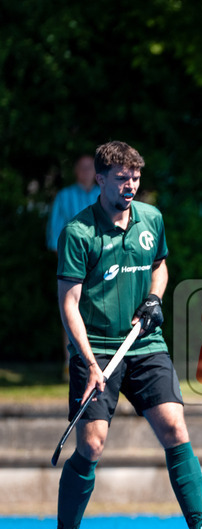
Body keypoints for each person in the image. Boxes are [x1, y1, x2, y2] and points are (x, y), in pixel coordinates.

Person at [53, 141, 202, 529]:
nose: (130, 185)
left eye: (135, 177)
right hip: (95, 348)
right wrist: (91, 364)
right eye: (121, 178)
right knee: (93, 445)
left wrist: (154, 299)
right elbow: (68, 304)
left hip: (144, 344)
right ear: (99, 180)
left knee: (174, 427)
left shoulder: (151, 218)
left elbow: (160, 265)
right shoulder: (79, 233)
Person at [48, 155, 101, 377]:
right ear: (76, 171)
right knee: (70, 310)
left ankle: (101, 361)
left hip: (103, 265)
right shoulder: (64, 196)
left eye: (91, 167)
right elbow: (54, 235)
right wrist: (74, 262)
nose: (87, 171)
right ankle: (70, 363)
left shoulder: (104, 194)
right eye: (83, 167)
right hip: (74, 265)